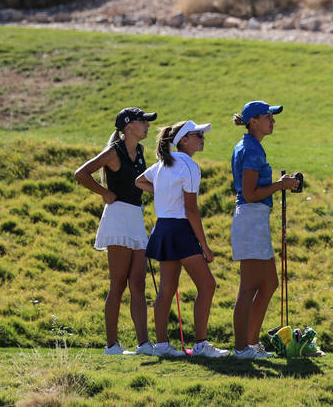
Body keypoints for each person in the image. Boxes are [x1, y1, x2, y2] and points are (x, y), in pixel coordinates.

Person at [135, 120, 228, 358]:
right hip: (180, 228)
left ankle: (163, 346)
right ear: (184, 140)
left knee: (167, 289)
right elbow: (192, 210)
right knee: (207, 285)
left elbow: (139, 181)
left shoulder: (162, 164)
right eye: (198, 135)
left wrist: (165, 192)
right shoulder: (189, 166)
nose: (202, 138)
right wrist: (205, 246)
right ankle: (201, 345)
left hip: (163, 227)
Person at [74, 107, 157, 356]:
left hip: (135, 217)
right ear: (129, 126)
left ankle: (143, 343)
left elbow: (141, 183)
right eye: (143, 122)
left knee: (138, 283)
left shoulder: (140, 151)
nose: (147, 126)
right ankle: (112, 345)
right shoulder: (113, 152)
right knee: (118, 283)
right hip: (118, 216)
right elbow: (81, 173)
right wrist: (103, 192)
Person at [229, 100, 306, 359]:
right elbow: (250, 194)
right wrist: (280, 185)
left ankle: (250, 344)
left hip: (255, 219)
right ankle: (242, 348)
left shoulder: (252, 147)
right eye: (267, 116)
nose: (272, 120)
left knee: (270, 283)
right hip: (251, 218)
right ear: (253, 122)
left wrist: (280, 185)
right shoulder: (251, 150)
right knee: (248, 287)